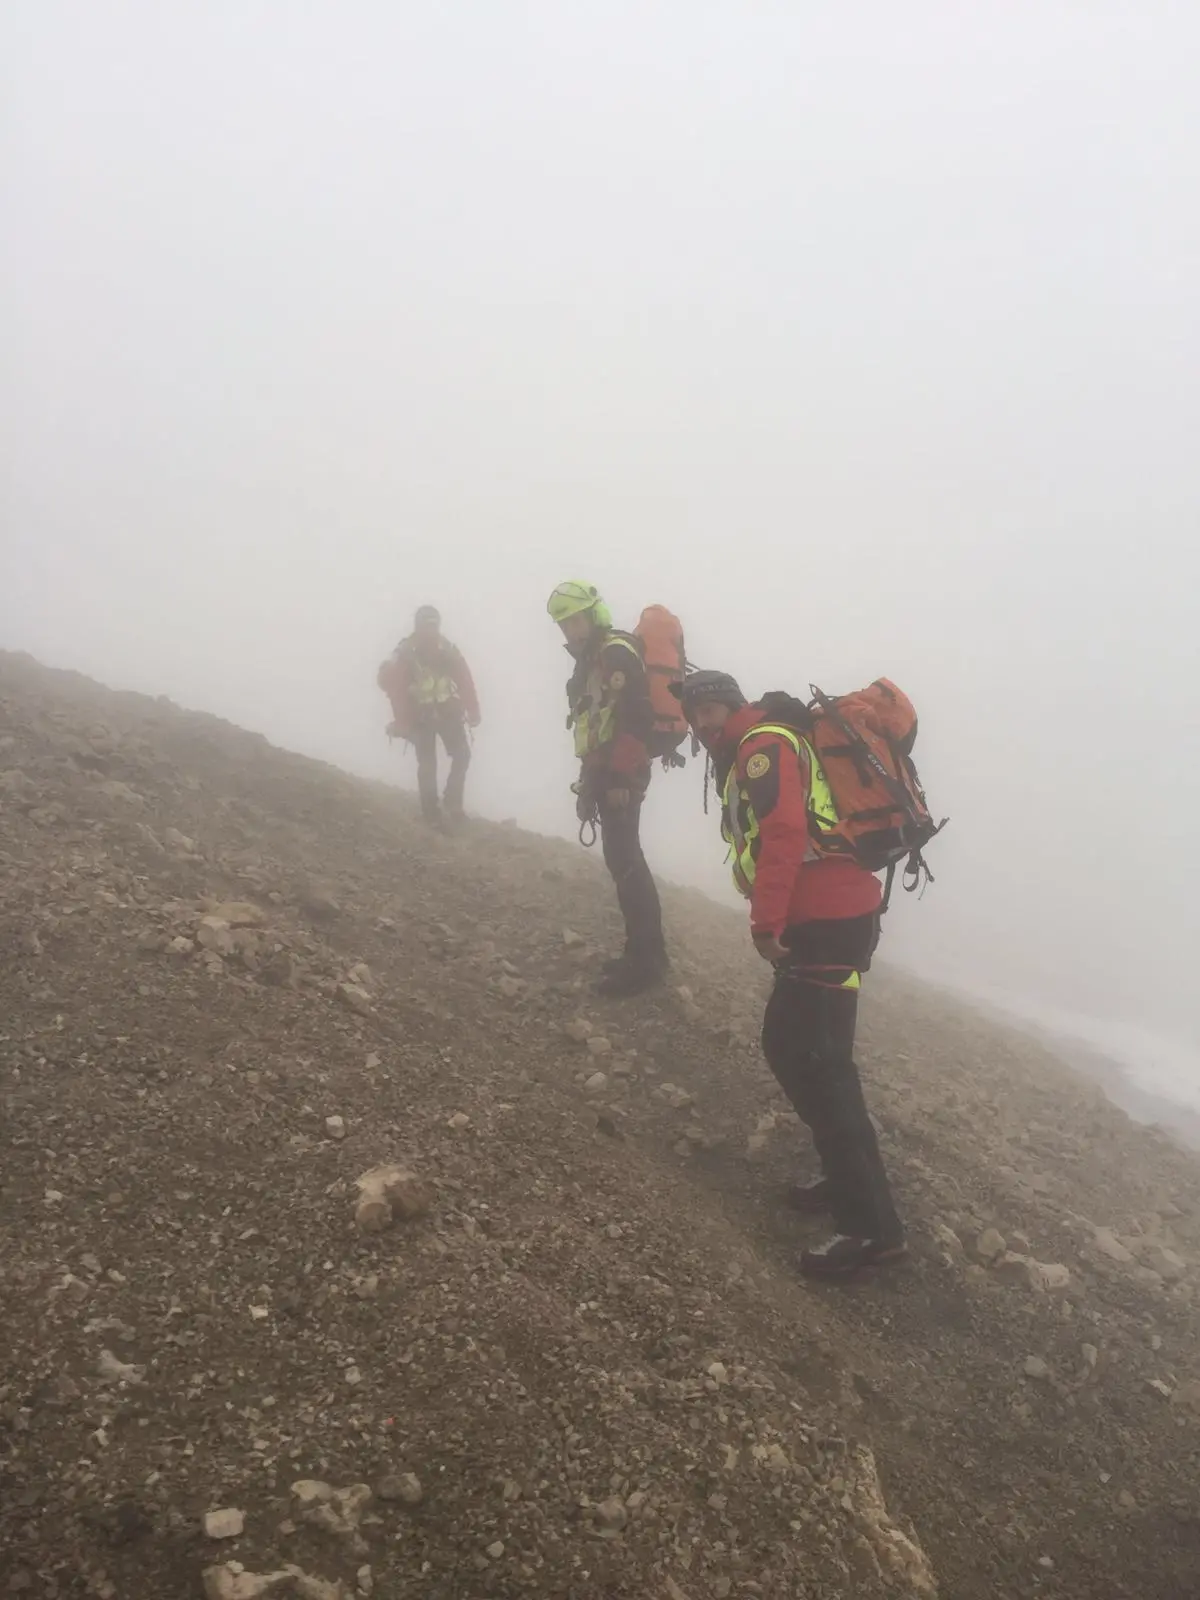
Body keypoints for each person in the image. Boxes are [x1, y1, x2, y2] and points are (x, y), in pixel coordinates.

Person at [671, 668, 905, 1280]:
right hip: (832, 918)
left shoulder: (761, 747)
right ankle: (843, 1171)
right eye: (694, 718)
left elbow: (782, 833)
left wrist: (764, 922)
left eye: (708, 712)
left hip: (824, 921)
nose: (700, 726)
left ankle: (872, 1231)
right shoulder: (764, 742)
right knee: (800, 1052)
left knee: (823, 1067)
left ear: (730, 705)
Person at [547, 580, 667, 997]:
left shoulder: (614, 652)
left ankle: (647, 963)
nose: (570, 631)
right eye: (563, 625)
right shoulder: (594, 658)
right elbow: (596, 723)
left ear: (593, 614)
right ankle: (642, 953)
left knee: (627, 861)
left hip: (622, 774)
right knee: (624, 861)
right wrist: (589, 783)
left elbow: (637, 716)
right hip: (607, 772)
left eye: (575, 620)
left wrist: (617, 777)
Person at [377, 605, 480, 828]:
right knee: (428, 763)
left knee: (461, 755)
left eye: (433, 625)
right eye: (427, 625)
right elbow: (396, 689)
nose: (430, 630)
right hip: (420, 716)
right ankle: (431, 812)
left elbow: (464, 679)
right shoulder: (406, 653)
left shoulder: (447, 650)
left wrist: (473, 709)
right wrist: (403, 722)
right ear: (418, 625)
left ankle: (453, 804)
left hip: (446, 712)